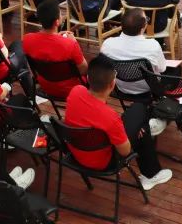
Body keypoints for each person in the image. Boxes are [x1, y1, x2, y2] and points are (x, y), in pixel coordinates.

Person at [65, 56, 172, 191]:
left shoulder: (76, 91)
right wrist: (136, 131)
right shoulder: (110, 118)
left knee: (138, 111)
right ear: (112, 84)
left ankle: (150, 163)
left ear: (88, 78)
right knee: (141, 122)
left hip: (77, 154)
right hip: (105, 163)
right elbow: (125, 151)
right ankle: (151, 174)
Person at [22, 0, 86, 100]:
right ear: (57, 22)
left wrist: (57, 37)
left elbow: (46, 47)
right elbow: (84, 70)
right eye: (60, 14)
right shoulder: (70, 44)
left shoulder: (27, 39)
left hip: (45, 86)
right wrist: (74, 42)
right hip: (72, 89)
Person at [100, 8, 170, 98]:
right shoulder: (153, 45)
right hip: (148, 88)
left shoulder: (107, 44)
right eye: (146, 19)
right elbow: (162, 69)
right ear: (143, 27)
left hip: (121, 87)